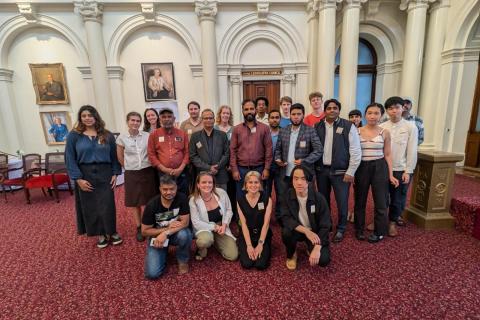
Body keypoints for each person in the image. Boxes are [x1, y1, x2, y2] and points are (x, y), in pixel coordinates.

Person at [65, 105, 123, 248]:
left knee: (107, 204)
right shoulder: (73, 136)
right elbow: (69, 158)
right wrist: (78, 179)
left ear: (95, 116)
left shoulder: (106, 135)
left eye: (90, 115)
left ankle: (112, 231)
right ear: (80, 118)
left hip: (105, 172)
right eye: (84, 116)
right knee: (91, 205)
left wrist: (115, 173)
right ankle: (101, 234)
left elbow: (114, 156)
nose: (87, 118)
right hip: (85, 174)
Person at [314, 99, 361, 242]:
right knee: (323, 200)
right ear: (325, 110)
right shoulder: (317, 126)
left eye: (335, 108)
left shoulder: (348, 126)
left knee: (342, 202)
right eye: (329, 108)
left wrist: (351, 171)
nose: (332, 110)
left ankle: (341, 228)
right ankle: (326, 224)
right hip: (321, 170)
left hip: (341, 172)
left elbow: (355, 150)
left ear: (339, 110)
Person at [354, 103, 399, 243]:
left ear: (381, 115)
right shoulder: (356, 131)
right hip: (361, 167)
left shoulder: (384, 132)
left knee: (380, 201)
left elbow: (388, 154)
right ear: (365, 115)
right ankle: (359, 229)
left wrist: (391, 174)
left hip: (380, 167)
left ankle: (379, 231)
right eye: (369, 113)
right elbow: (353, 154)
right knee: (359, 200)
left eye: (376, 113)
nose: (372, 116)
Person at [275, 103, 323, 224]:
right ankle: (285, 221)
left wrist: (304, 161)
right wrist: (278, 159)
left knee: (304, 199)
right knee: (283, 198)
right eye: (293, 114)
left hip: (303, 173)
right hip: (285, 172)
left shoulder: (310, 130)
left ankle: (306, 222)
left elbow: (319, 150)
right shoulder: (283, 131)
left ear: (303, 115)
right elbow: (278, 150)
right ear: (290, 115)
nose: (296, 117)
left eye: (298, 114)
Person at [280, 165, 331, 270]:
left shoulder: (319, 199)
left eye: (303, 178)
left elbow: (326, 225)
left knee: (323, 260)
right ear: (292, 180)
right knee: (286, 232)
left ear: (308, 180)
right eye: (296, 178)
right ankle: (292, 253)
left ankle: (310, 247)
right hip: (298, 230)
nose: (299, 182)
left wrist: (317, 247)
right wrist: (306, 231)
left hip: (314, 233)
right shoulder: (287, 196)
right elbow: (285, 218)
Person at [117, 111, 157, 242]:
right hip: (132, 173)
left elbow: (152, 152)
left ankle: (150, 224)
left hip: (147, 171)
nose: (135, 123)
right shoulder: (122, 138)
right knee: (135, 202)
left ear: (141, 122)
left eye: (138, 121)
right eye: (132, 120)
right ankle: (139, 227)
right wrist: (128, 167)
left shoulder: (147, 136)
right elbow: (120, 156)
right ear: (127, 122)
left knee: (150, 200)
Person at [141, 175, 192, 278]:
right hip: (157, 237)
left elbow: (185, 223)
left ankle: (182, 259)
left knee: (185, 234)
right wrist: (165, 230)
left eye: (172, 189)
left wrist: (166, 232)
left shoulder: (182, 198)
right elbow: (145, 231)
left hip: (174, 233)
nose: (169, 192)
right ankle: (163, 252)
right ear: (160, 188)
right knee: (152, 274)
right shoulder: (152, 205)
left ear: (176, 187)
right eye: (165, 189)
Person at [381, 97, 418, 236]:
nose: (394, 111)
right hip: (384, 169)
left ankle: (392, 223)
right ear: (387, 111)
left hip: (401, 170)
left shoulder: (410, 127)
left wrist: (408, 171)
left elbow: (412, 150)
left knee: (397, 199)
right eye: (390, 108)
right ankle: (380, 220)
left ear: (403, 108)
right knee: (382, 197)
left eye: (397, 107)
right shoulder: (383, 126)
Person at [189, 171, 238, 261]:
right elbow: (196, 222)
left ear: (213, 184)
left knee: (233, 255)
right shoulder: (193, 200)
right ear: (198, 185)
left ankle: (215, 241)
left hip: (221, 226)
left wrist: (224, 225)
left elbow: (229, 210)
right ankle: (201, 249)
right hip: (205, 227)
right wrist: (214, 227)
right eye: (204, 182)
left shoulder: (221, 193)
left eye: (210, 182)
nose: (207, 185)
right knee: (204, 241)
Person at [230, 99, 272, 196]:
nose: (249, 111)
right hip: (241, 170)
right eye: (246, 109)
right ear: (242, 111)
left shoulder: (264, 128)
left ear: (256, 110)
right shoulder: (237, 129)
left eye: (251, 109)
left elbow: (268, 149)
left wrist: (266, 168)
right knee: (241, 196)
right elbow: (232, 150)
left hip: (260, 169)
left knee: (260, 195)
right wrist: (234, 169)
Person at [147, 107, 189, 196]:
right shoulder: (154, 135)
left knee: (183, 195)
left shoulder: (182, 133)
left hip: (181, 172)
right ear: (160, 119)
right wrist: (164, 169)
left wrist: (180, 168)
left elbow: (187, 152)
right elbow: (151, 154)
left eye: (169, 116)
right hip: (163, 173)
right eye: (164, 117)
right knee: (167, 195)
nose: (167, 119)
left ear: (174, 119)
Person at [237, 171, 273, 270]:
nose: (253, 185)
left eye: (256, 182)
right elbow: (243, 224)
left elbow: (266, 224)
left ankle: (264, 246)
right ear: (246, 185)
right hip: (247, 234)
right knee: (247, 264)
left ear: (260, 184)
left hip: (262, 234)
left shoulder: (267, 199)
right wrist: (249, 245)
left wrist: (260, 244)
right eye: (250, 182)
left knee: (261, 265)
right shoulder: (240, 200)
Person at [189, 109, 230, 190]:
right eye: (205, 118)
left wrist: (217, 166)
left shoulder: (222, 135)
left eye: (210, 118)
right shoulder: (195, 136)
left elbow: (227, 154)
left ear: (214, 120)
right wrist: (208, 168)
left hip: (220, 175)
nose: (208, 120)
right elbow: (193, 156)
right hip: (202, 176)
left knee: (221, 200)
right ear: (201, 120)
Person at [265, 109, 283, 223]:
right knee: (266, 193)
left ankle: (279, 216)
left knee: (281, 193)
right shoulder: (264, 132)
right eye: (272, 117)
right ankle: (266, 216)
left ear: (280, 119)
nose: (274, 119)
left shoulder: (285, 132)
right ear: (268, 119)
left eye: (277, 117)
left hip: (280, 168)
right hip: (266, 167)